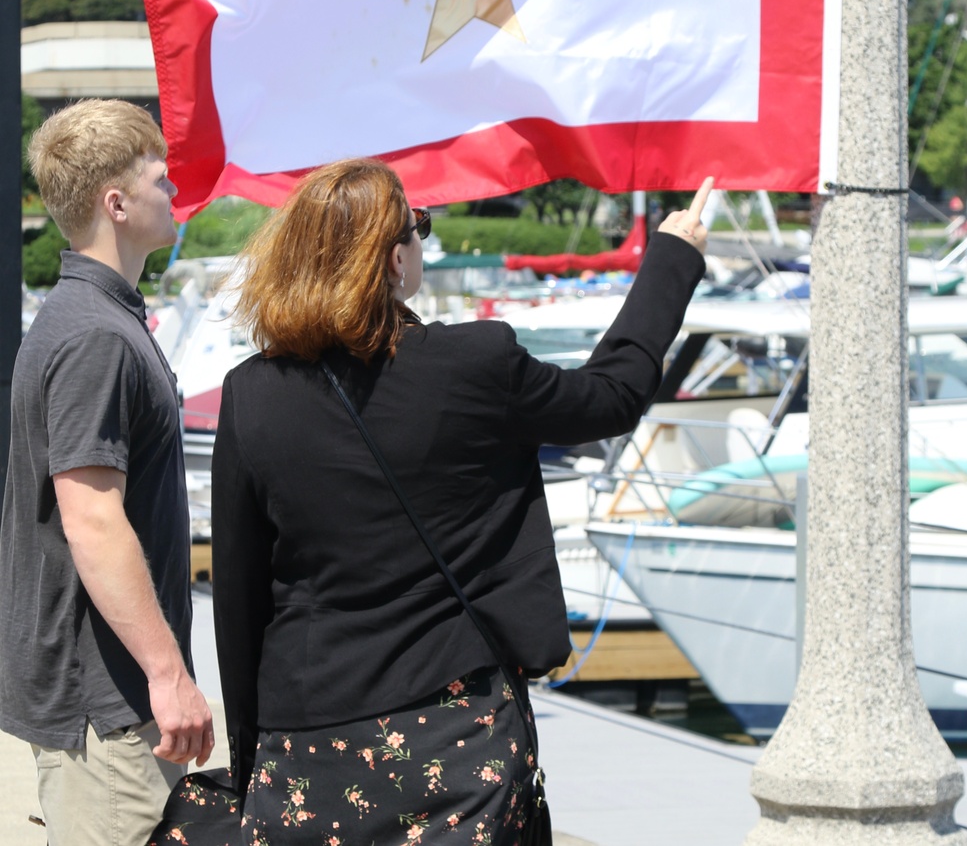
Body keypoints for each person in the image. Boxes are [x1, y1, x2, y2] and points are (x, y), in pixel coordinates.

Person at [212, 158, 711, 844]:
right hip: (451, 729)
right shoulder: (476, 361)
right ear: (392, 260)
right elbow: (611, 395)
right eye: (418, 227)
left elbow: (240, 600)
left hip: (307, 733)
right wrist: (673, 260)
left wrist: (248, 761)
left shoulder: (251, 394)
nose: (422, 239)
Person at [0, 100, 214, 846]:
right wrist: (168, 676)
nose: (175, 197)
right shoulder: (96, 336)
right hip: (108, 698)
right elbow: (92, 519)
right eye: (163, 181)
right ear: (115, 203)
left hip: (99, 692)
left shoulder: (89, 318)